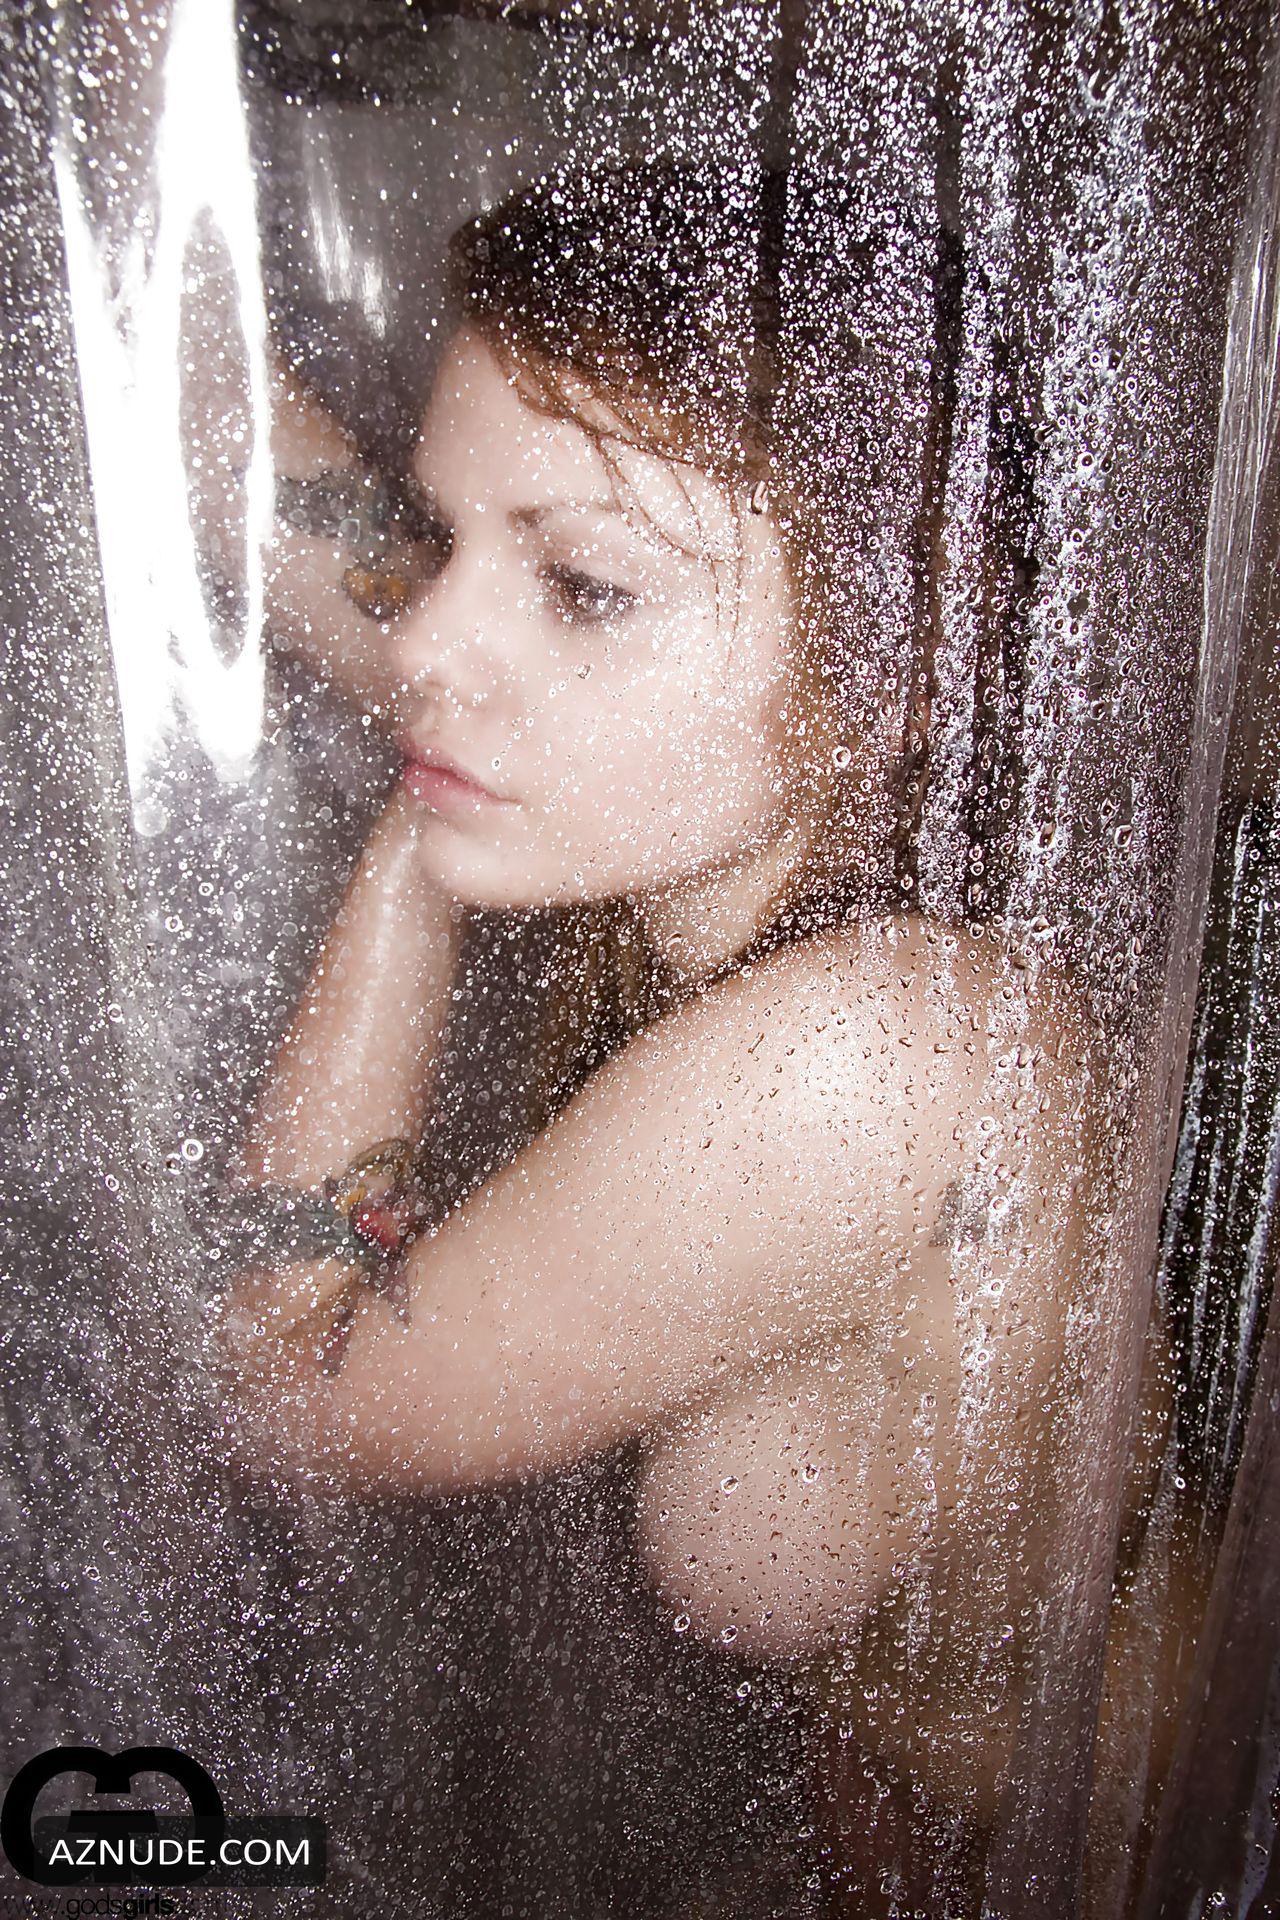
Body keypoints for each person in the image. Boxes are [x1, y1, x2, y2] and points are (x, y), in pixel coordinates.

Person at [216, 162, 1112, 1839]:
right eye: (444, 541)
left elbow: (284, 1389)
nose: (425, 645)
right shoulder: (730, 808)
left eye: (586, 586)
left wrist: (410, 857)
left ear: (902, 659)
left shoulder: (879, 1059)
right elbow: (235, 448)